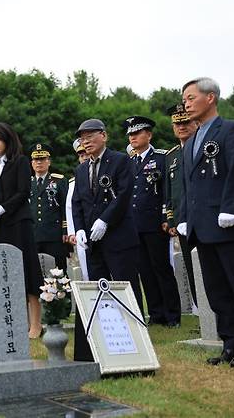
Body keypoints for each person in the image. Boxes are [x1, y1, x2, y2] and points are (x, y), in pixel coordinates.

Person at [178, 77, 234, 369]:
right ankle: (231, 343)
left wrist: (231, 209)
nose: (185, 103)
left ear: (210, 97)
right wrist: (184, 218)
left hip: (230, 225)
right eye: (184, 98)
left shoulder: (232, 129)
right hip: (202, 228)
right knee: (217, 291)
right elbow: (188, 187)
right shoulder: (190, 143)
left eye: (190, 97)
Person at [71, 119, 143, 308]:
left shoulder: (120, 160)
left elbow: (124, 194)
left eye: (89, 137)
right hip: (93, 241)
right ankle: (107, 331)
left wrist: (105, 220)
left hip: (118, 236)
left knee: (125, 283)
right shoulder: (81, 169)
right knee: (98, 286)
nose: (85, 142)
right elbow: (77, 202)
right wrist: (79, 229)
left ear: (103, 136)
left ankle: (134, 327)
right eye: (82, 139)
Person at [0, 122, 43, 339]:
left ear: (7, 140)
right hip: (2, 226)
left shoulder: (20, 161)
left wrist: (1, 208)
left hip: (19, 223)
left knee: (28, 270)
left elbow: (23, 192)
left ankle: (36, 324)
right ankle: (18, 321)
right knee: (8, 272)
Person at [125, 116, 181, 327]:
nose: (133, 138)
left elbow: (167, 190)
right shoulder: (128, 162)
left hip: (155, 223)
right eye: (130, 134)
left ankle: (172, 314)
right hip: (135, 225)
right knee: (145, 272)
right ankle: (156, 313)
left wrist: (166, 217)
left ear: (148, 134)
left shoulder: (161, 158)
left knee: (161, 268)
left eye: (137, 133)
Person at [164, 103, 199, 305]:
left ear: (194, 122)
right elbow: (170, 191)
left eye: (185, 122)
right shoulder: (171, 156)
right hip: (182, 220)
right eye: (177, 124)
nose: (182, 127)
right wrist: (171, 218)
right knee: (191, 267)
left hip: (203, 218)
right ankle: (201, 313)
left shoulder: (202, 146)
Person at [29, 142, 68, 275]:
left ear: (49, 161)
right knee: (36, 272)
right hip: (33, 234)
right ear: (32, 162)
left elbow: (65, 207)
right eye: (36, 159)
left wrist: (65, 230)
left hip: (53, 234)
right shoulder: (27, 183)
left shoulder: (59, 181)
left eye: (42, 159)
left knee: (58, 272)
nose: (39, 162)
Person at [65, 138, 90, 280]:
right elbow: (70, 207)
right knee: (85, 270)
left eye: (86, 153)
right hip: (81, 232)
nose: (84, 157)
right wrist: (71, 232)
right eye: (81, 155)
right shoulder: (73, 183)